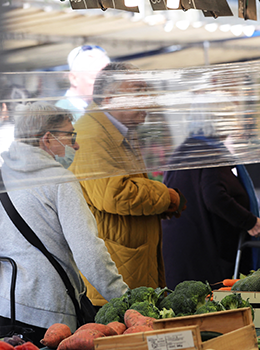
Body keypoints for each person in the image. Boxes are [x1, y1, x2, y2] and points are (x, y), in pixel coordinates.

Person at [0, 102, 128, 341]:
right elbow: (89, 251)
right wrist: (124, 299)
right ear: (47, 139)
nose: (76, 144)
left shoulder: (2, 176)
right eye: (70, 135)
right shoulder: (60, 180)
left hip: (7, 312)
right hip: (52, 316)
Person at [68, 62, 184, 306]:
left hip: (130, 261)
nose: (147, 99)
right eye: (138, 91)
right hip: (114, 273)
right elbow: (115, 194)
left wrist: (158, 206)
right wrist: (165, 196)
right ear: (110, 97)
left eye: (146, 90)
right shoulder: (92, 133)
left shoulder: (116, 130)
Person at [161, 117, 260, 289]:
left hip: (180, 252)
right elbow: (214, 196)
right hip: (203, 255)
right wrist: (250, 222)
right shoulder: (211, 153)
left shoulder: (184, 150)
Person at [56, 45, 111, 121]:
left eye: (108, 79)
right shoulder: (60, 115)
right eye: (96, 78)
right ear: (73, 78)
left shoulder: (102, 109)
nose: (104, 84)